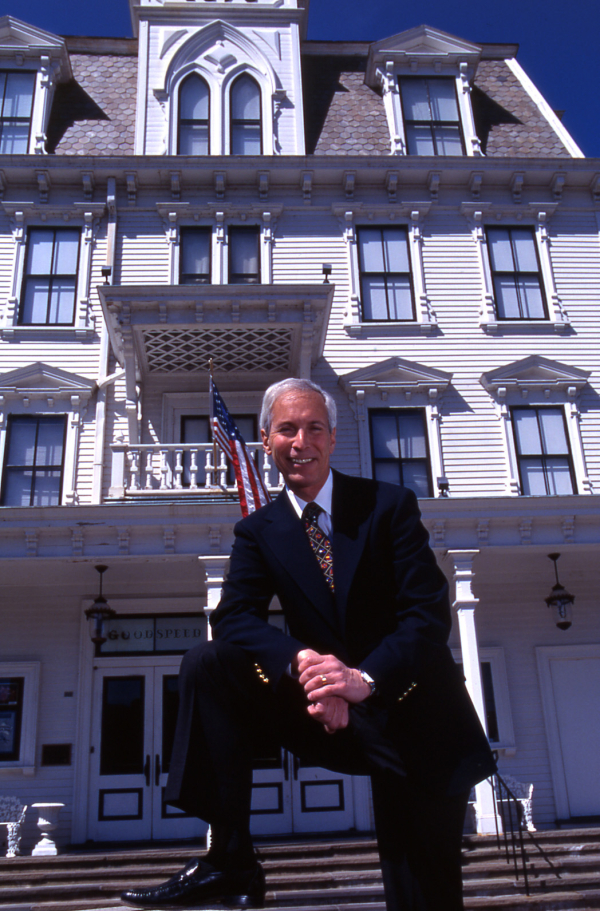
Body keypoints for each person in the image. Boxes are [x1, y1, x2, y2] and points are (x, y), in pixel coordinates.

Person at [122, 378, 496, 911]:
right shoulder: (258, 530)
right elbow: (233, 617)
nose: (302, 442)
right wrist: (300, 663)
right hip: (326, 714)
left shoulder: (388, 506)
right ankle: (230, 857)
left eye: (314, 428)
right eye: (287, 429)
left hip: (411, 713)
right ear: (267, 441)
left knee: (423, 894)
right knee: (209, 661)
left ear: (332, 438)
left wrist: (361, 680)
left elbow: (426, 615)